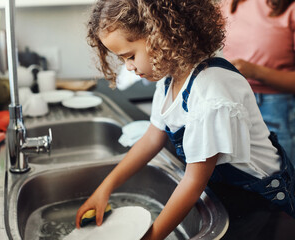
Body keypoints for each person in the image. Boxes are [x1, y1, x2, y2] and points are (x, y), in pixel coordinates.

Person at [75, 0, 295, 239]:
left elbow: (193, 183)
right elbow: (151, 139)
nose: (128, 67)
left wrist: (152, 236)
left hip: (261, 199)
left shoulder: (210, 94)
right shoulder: (170, 77)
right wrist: (104, 188)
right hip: (227, 191)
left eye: (130, 56)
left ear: (161, 37)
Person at [221, 0, 295, 165]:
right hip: (231, 100)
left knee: (281, 180)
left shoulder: (290, 8)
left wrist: (255, 71)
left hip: (275, 108)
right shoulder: (231, 3)